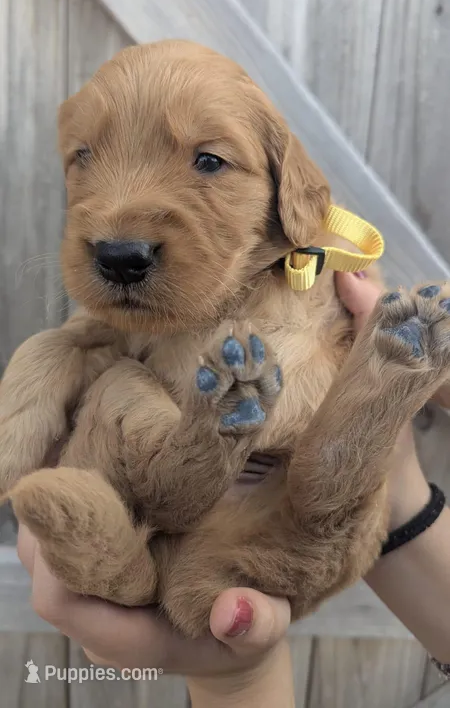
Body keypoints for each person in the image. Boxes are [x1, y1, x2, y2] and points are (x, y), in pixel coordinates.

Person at [16, 272, 450, 707]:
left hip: (238, 529)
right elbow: (82, 344)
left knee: (321, 514)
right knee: (323, 515)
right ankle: (360, 413)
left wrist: (238, 683)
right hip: (192, 509)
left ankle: (347, 412)